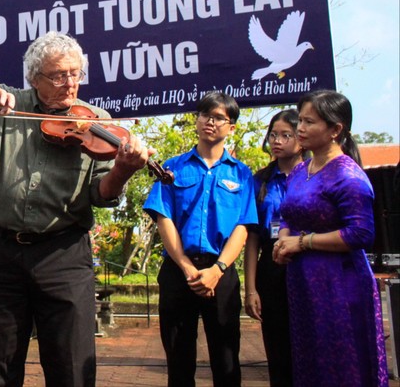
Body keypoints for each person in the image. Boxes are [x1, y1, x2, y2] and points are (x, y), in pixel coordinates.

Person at [0, 31, 151, 387]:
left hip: (63, 253)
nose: (70, 84)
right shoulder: (7, 106)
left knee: (71, 364)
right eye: (58, 75)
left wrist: (123, 170)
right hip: (1, 253)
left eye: (76, 74)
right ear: (34, 78)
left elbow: (101, 193)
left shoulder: (97, 121)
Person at [272, 90, 388, 386]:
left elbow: (360, 233)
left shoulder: (348, 176)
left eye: (310, 122)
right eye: (301, 120)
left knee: (340, 363)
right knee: (309, 360)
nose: (300, 128)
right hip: (302, 282)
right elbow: (289, 212)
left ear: (336, 129)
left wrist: (302, 242)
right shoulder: (300, 170)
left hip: (339, 283)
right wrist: (284, 237)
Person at [143, 91, 257, 387]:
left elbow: (243, 227)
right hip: (179, 272)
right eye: (205, 114)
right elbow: (162, 216)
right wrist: (185, 266)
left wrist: (217, 269)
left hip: (221, 273)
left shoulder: (242, 174)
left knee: (227, 359)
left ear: (231, 127)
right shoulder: (173, 167)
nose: (210, 121)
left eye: (219, 117)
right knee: (178, 359)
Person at [243, 109, 305, 387]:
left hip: (308, 262)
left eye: (285, 135)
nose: (277, 141)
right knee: (278, 349)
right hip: (271, 265)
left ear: (301, 139)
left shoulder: (315, 175)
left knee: (310, 343)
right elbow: (252, 238)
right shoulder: (260, 181)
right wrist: (251, 288)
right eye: (273, 135)